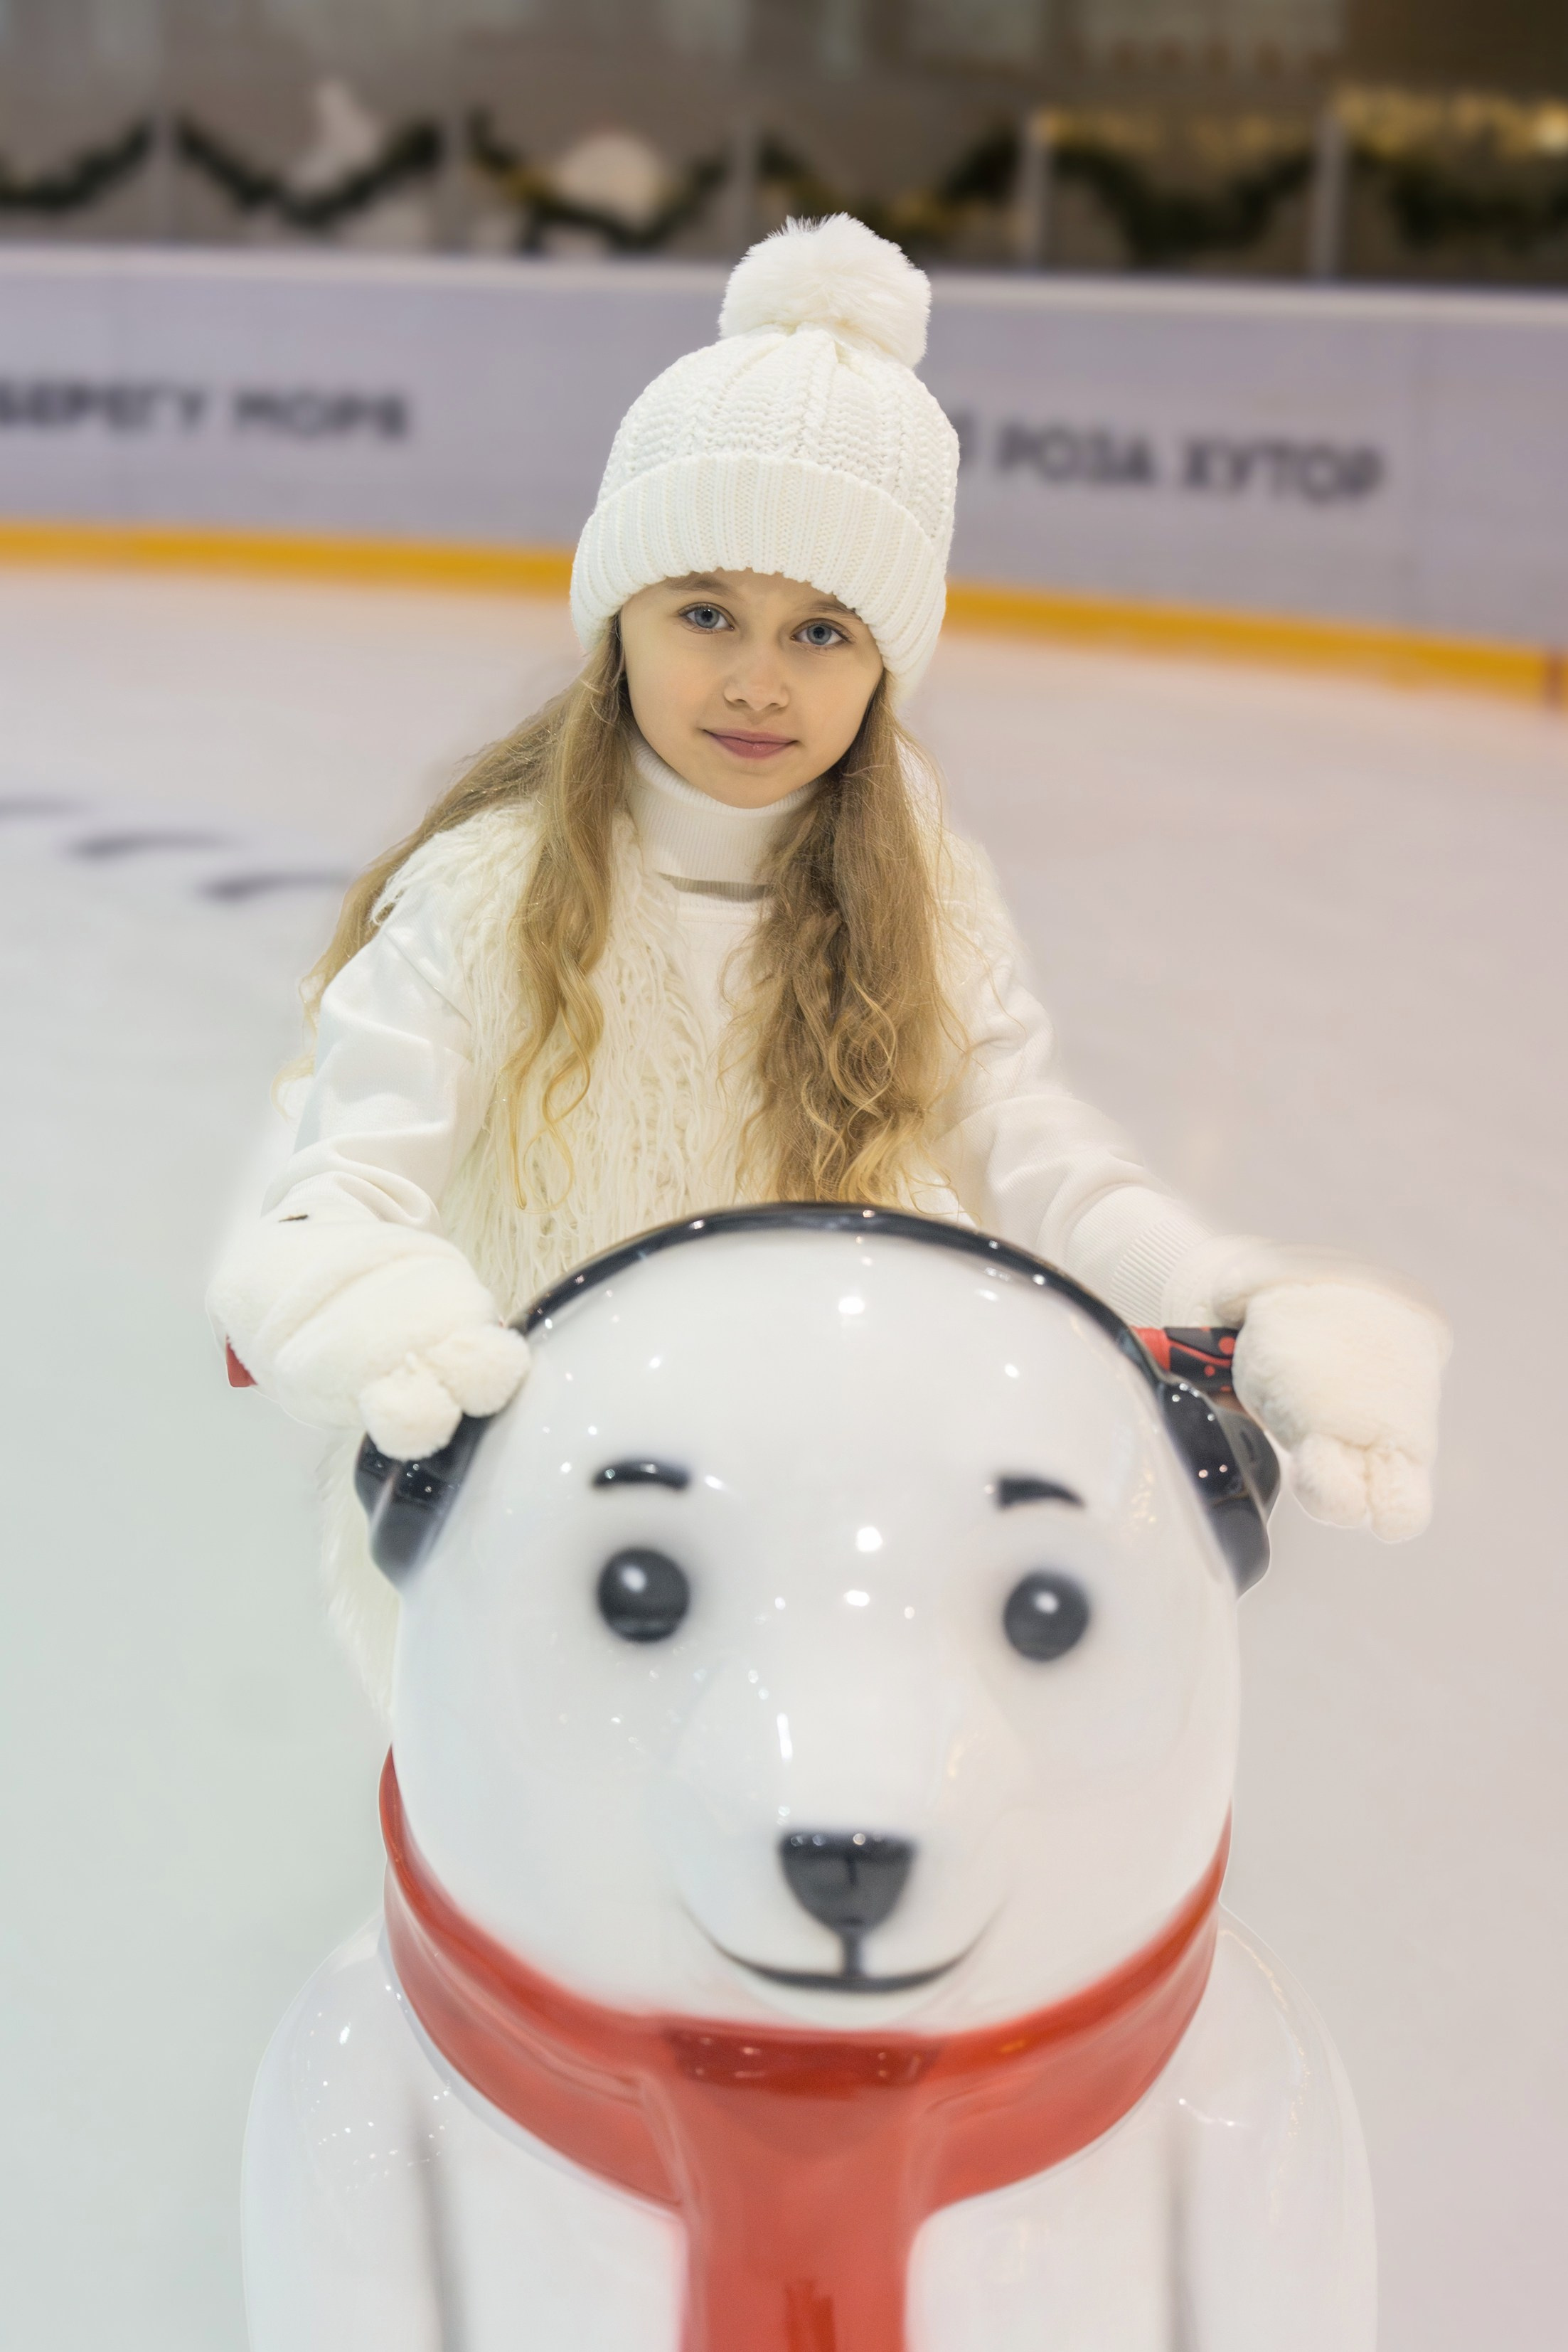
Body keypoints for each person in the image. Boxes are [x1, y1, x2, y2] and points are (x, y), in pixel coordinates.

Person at [210, 216, 1448, 1701]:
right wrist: (356, 1294)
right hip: (540, 1538)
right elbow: (336, 1185)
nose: (755, 679)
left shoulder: (913, 882)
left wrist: (1243, 1308)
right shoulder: (487, 896)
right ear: (620, 618)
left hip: (839, 1533)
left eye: (822, 632)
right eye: (706, 611)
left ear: (882, 662)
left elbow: (1025, 1147)